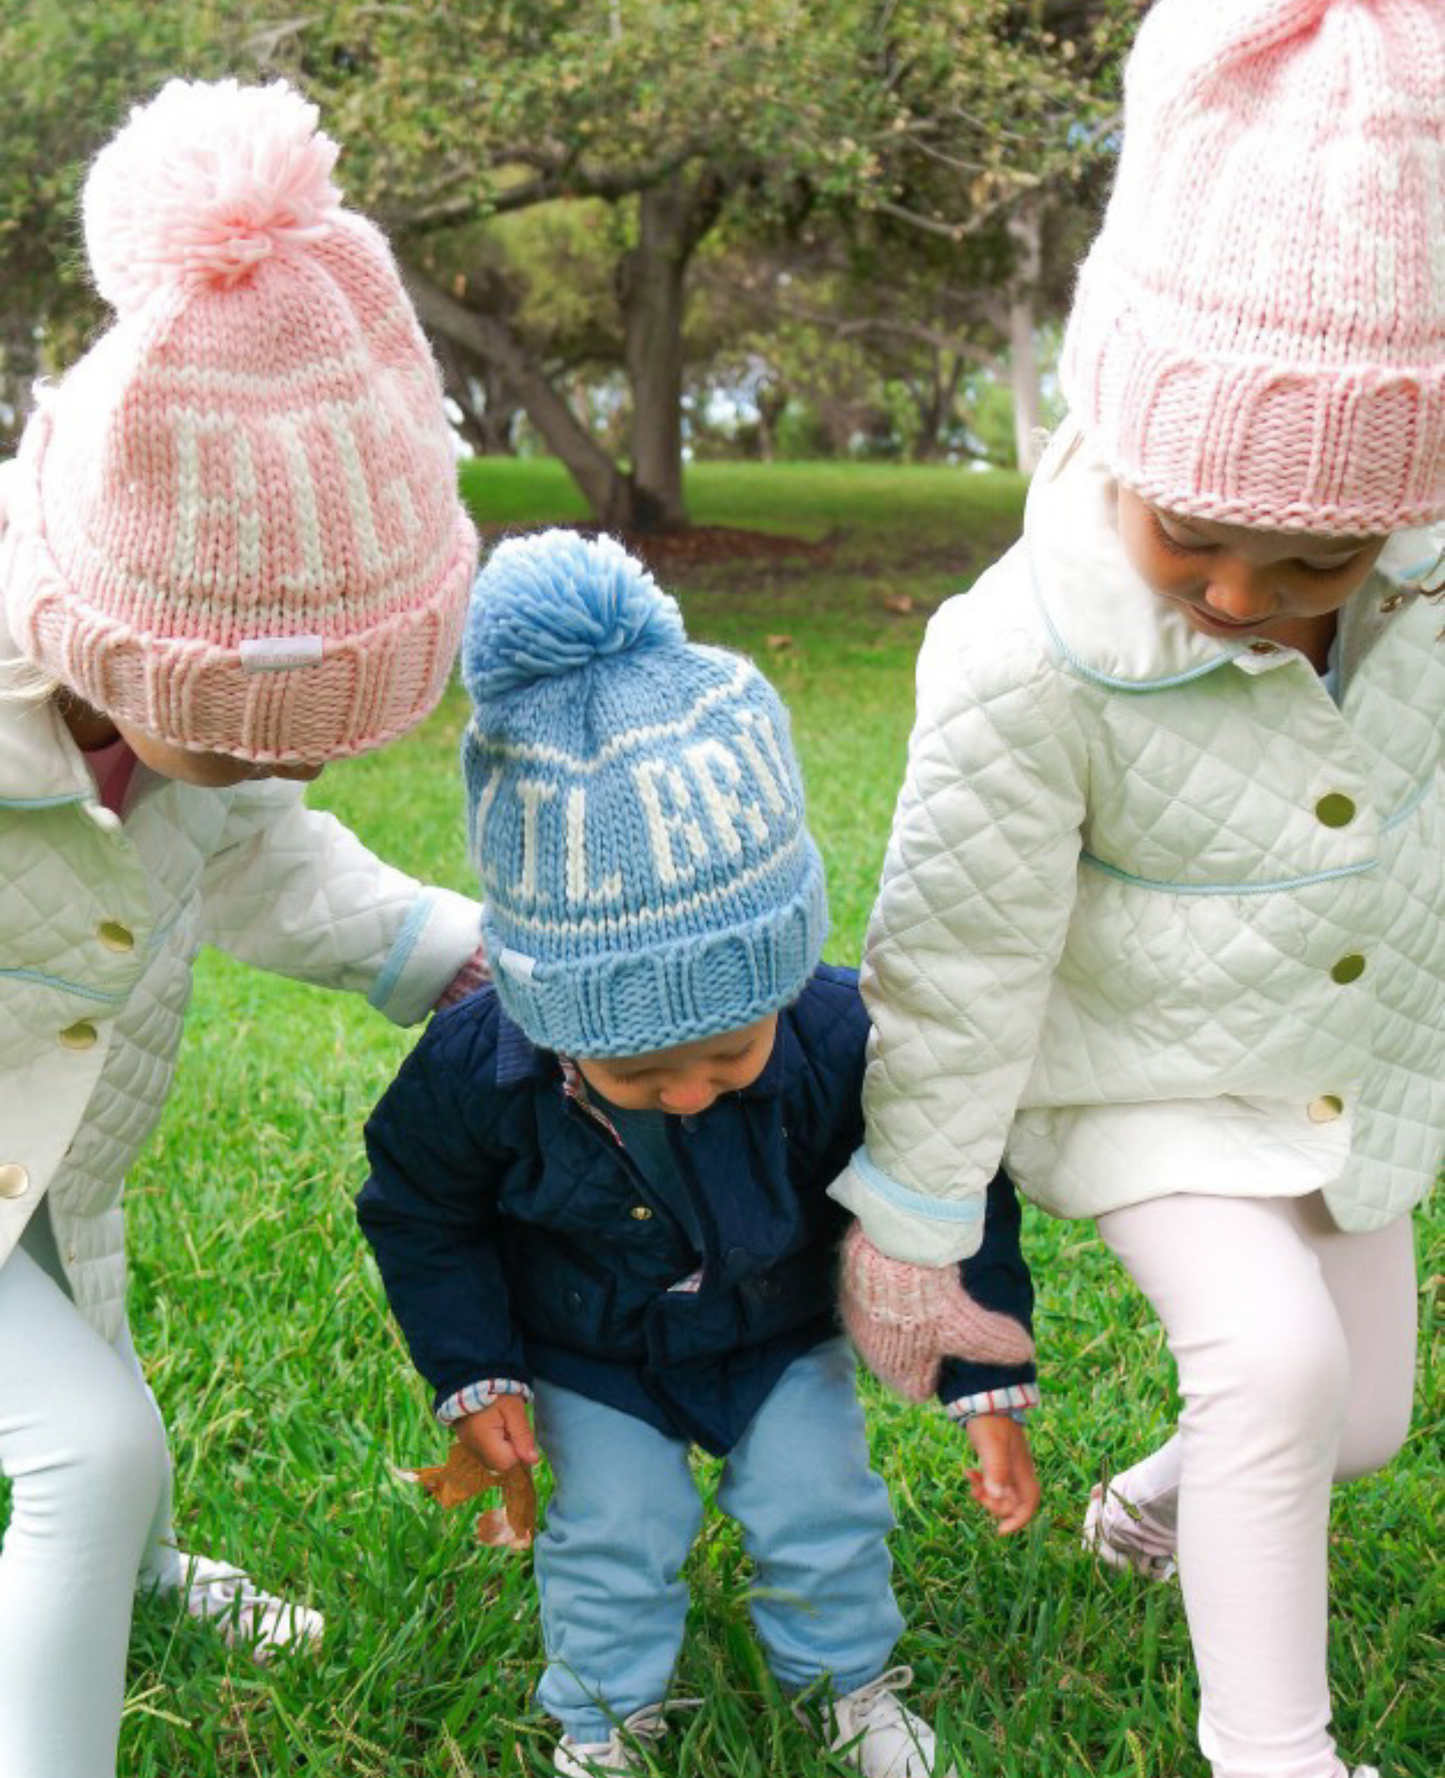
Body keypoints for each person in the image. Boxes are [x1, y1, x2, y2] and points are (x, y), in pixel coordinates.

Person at [830, 4, 1443, 1777]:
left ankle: (1155, 1506)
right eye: (1195, 537)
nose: (1245, 592)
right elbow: (956, 949)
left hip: (1341, 1059)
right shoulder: (1026, 654)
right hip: (1140, 1071)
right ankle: (1276, 1748)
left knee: (1364, 1417)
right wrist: (919, 1223)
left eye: (1314, 556)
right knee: (1272, 1358)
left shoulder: (1424, 585)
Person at [358, 530, 1037, 1778]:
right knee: (617, 1522)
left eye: (726, 1053)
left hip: (776, 1328)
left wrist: (977, 1377)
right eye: (635, 1071)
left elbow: (942, 1173)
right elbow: (420, 1210)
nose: (686, 1090)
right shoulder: (473, 1070)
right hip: (585, 1347)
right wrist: (476, 1369)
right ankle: (603, 1719)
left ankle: (849, 1684)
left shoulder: (838, 1036)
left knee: (818, 1503)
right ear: (546, 1007)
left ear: (781, 974)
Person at [0, 77, 487, 1778]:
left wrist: (448, 950)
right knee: (82, 1438)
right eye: (252, 735)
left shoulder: (189, 729)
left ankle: (130, 1578)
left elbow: (267, 857)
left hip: (46, 1139)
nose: (281, 768)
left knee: (93, 1342)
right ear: (117, 639)